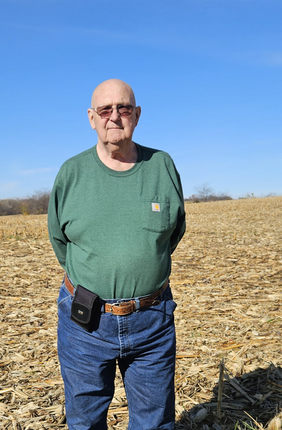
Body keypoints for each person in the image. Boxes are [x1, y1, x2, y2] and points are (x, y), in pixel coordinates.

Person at [48, 79, 186, 430]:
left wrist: (141, 269)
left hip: (152, 319)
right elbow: (59, 241)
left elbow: (173, 231)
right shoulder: (71, 173)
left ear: (136, 115)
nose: (114, 117)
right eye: (105, 110)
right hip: (86, 322)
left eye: (123, 108)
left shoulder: (162, 166)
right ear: (91, 118)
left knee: (154, 422)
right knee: (84, 421)